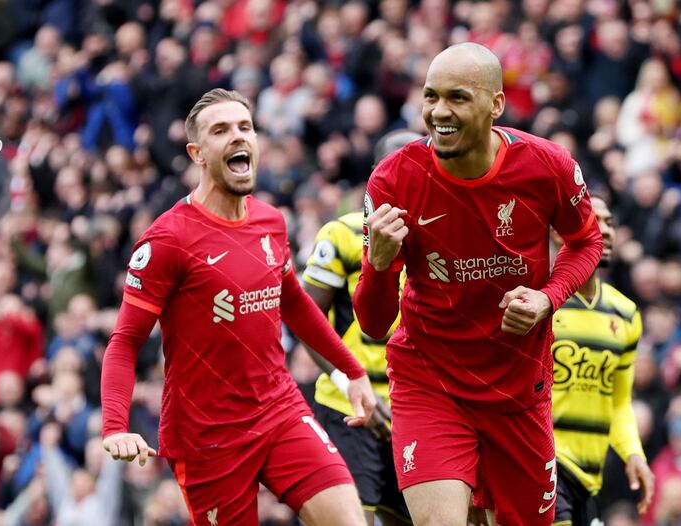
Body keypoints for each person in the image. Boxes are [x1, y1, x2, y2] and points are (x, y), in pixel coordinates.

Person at [99, 88, 376, 526]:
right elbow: (125, 341)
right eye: (221, 130)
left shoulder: (270, 221)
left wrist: (352, 372)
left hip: (280, 409)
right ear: (197, 153)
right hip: (207, 438)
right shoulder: (168, 240)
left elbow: (295, 305)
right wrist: (115, 425)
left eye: (245, 127)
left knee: (349, 519)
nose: (238, 137)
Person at [353, 43, 603, 526]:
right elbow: (374, 322)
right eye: (430, 97)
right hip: (431, 379)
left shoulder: (546, 166)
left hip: (517, 389)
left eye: (458, 98)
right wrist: (379, 266)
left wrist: (548, 298)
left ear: (496, 105)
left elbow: (585, 241)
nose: (439, 112)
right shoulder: (393, 179)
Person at [303, 129, 421, 526]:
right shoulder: (342, 233)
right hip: (348, 410)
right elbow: (308, 322)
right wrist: (349, 385)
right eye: (396, 165)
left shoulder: (439, 238)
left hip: (416, 411)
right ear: (377, 174)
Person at [550, 195, 655, 526]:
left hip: (589, 478)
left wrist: (633, 452)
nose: (607, 231)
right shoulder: (539, 300)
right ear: (558, 232)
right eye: (596, 221)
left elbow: (619, 400)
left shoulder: (625, 314)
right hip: (544, 465)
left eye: (610, 222)